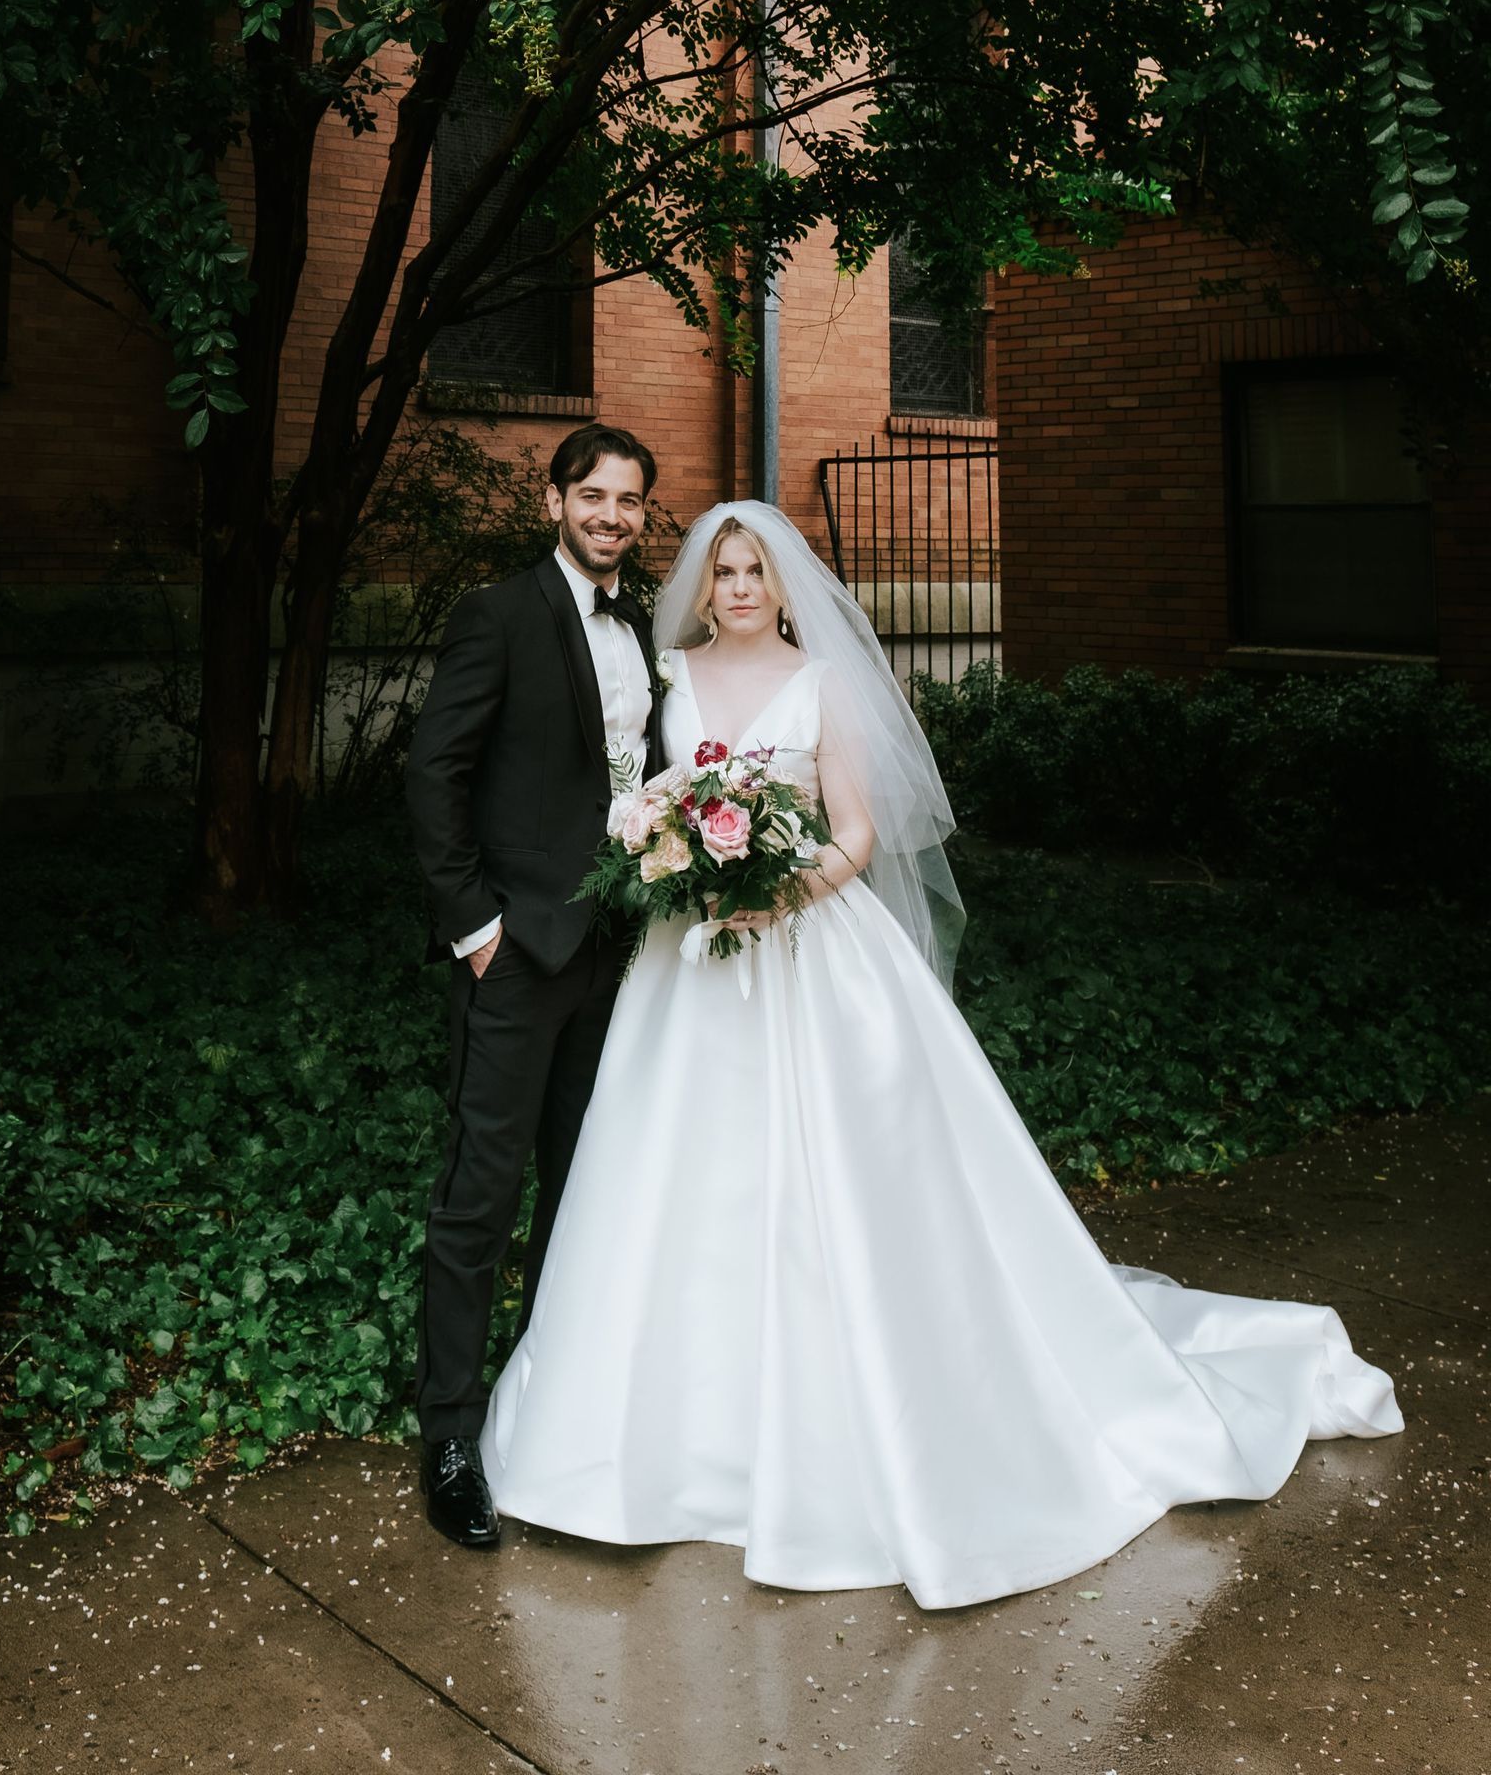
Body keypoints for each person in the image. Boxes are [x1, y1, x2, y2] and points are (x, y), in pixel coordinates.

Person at [480, 500, 1403, 1607]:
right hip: (687, 965)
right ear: (700, 583)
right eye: (720, 571)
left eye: (753, 573)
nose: (735, 589)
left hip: (803, 949)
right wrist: (673, 856)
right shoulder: (667, 676)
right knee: (671, 1184)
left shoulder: (822, 685)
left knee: (837, 1195)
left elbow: (858, 835)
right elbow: (640, 802)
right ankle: (647, 1443)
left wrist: (776, 893)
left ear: (782, 587)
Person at [406, 420, 664, 1550]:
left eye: (631, 502)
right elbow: (435, 773)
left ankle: (548, 1403)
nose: (612, 516)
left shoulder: (646, 625)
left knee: (582, 1188)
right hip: (515, 958)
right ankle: (453, 1432)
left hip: (617, 954)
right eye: (594, 496)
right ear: (554, 500)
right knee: (480, 1194)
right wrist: (474, 929)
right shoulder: (499, 615)